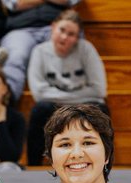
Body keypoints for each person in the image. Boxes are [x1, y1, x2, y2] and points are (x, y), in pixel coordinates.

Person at [25, 10, 107, 166]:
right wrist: (74, 97)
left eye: (71, 34)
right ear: (53, 27)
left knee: (101, 109)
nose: (64, 37)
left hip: (81, 106)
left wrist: (62, 98)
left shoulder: (86, 49)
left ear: (77, 38)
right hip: (56, 106)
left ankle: (104, 165)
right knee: (40, 109)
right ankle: (34, 165)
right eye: (61, 30)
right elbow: (39, 93)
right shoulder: (39, 51)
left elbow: (99, 90)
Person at [0, 0, 82, 103]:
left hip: (58, 28)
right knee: (16, 56)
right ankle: (6, 98)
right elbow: (15, 4)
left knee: (62, 53)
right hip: (20, 29)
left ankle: (68, 99)